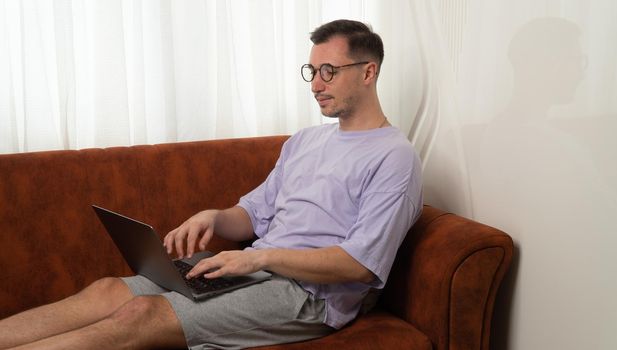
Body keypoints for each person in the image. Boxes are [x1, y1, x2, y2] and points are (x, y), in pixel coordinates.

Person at [0, 19, 422, 349]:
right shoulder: (306, 141)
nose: (315, 83)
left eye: (329, 71)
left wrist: (259, 260)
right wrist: (215, 217)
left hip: (309, 298)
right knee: (108, 291)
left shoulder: (394, 156)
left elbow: (360, 264)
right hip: (257, 271)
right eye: (312, 70)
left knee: (138, 317)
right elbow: (253, 215)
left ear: (369, 72)